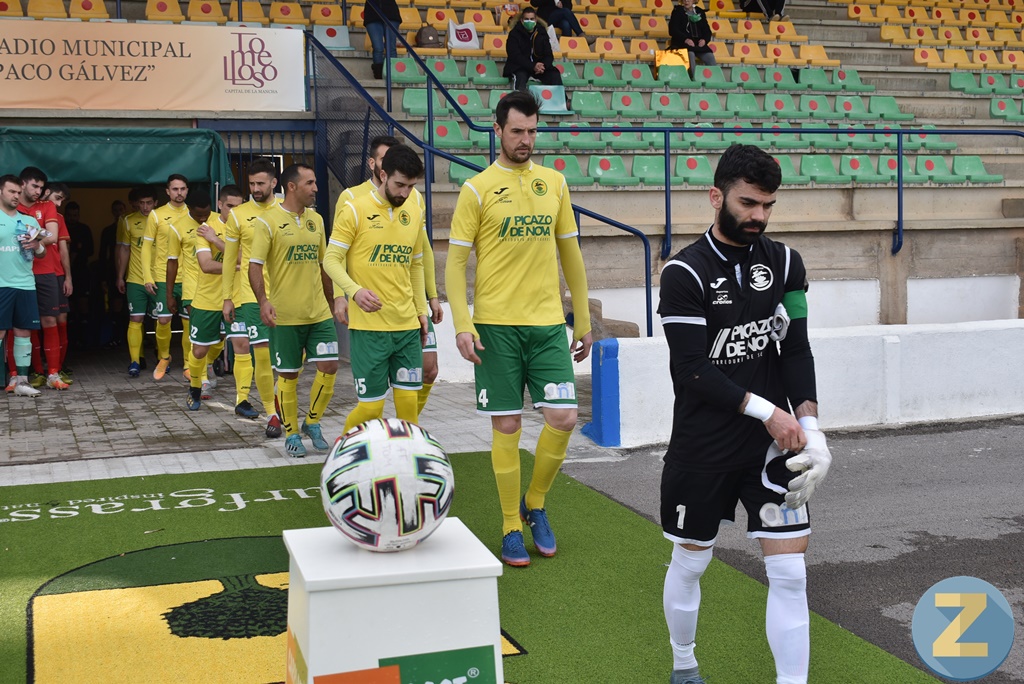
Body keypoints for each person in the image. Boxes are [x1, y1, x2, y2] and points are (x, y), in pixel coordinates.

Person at [657, 144, 831, 684]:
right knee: (691, 562)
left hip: (771, 450)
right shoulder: (683, 272)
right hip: (703, 444)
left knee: (791, 573)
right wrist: (769, 412)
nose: (759, 216)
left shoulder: (786, 264)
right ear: (717, 197)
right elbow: (692, 370)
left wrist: (812, 429)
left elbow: (795, 350)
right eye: (748, 203)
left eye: (768, 205)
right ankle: (684, 664)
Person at [446, 90, 593, 567]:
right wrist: (462, 323)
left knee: (563, 418)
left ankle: (536, 503)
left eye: (532, 131)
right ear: (497, 130)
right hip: (496, 327)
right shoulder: (476, 189)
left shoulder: (555, 183)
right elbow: (455, 265)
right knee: (507, 425)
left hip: (547, 325)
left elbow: (571, 254)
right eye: (517, 131)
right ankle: (511, 523)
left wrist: (582, 319)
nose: (526, 139)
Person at [334, 135, 444, 416]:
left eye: (411, 186)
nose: (405, 193)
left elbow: (415, 264)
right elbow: (331, 259)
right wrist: (353, 292)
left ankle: (403, 446)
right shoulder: (354, 208)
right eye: (399, 185)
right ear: (382, 175)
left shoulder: (414, 210)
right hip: (369, 329)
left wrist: (420, 310)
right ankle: (345, 445)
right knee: (371, 409)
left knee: (408, 408)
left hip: (406, 326)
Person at [249, 164, 339, 458]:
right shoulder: (267, 221)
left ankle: (312, 422)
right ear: (291, 187)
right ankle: (291, 434)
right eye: (310, 183)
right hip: (285, 316)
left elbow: (324, 264)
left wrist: (332, 301)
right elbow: (254, 266)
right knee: (288, 376)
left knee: (330, 367)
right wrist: (263, 301)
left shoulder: (317, 220)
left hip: (319, 314)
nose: (316, 188)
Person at [223, 158, 282, 437]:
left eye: (261, 183)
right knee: (261, 351)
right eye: (251, 184)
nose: (255, 188)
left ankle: (280, 399)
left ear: (274, 182)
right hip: (252, 295)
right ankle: (272, 413)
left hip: (286, 293)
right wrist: (227, 297)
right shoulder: (238, 215)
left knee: (289, 357)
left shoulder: (287, 210)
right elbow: (228, 260)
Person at [199, 185, 257, 418]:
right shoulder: (206, 228)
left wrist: (217, 242)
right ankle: (200, 376)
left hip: (240, 296)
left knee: (242, 344)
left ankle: (242, 399)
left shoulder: (247, 225)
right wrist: (236, 264)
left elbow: (246, 258)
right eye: (230, 206)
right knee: (203, 346)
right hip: (209, 296)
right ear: (220, 204)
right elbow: (206, 265)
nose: (234, 211)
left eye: (238, 206)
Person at [167, 187, 223, 400]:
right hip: (193, 288)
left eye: (206, 214)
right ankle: (202, 381)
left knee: (221, 336)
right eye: (198, 215)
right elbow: (172, 262)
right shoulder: (177, 227)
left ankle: (208, 363)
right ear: (188, 209)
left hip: (220, 287)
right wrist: (169, 294)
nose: (203, 219)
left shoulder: (219, 221)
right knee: (199, 336)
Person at [14, 167, 64, 391]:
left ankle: (53, 373)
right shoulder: (11, 206)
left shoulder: (47, 206)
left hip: (45, 271)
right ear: (22, 184)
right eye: (34, 186)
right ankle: (28, 373)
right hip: (18, 272)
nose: (38, 191)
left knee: (50, 321)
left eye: (41, 188)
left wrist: (31, 237)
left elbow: (52, 236)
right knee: (22, 324)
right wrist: (38, 232)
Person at [0, 174, 47, 398]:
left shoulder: (29, 221)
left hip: (26, 284)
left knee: (23, 332)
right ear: (0, 192)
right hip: (1, 284)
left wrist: (37, 245)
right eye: (11, 191)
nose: (16, 196)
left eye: (18, 192)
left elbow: (42, 253)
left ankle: (22, 381)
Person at [141, 174, 190, 381]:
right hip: (162, 276)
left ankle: (188, 363)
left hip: (189, 277)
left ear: (187, 190)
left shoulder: (193, 213)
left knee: (188, 322)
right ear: (168, 191)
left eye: (183, 189)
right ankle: (164, 357)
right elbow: (146, 247)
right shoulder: (156, 215)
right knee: (163, 320)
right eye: (175, 189)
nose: (179, 193)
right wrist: (147, 276)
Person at [116, 187, 157, 377]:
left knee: (161, 320)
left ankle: (162, 356)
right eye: (142, 203)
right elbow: (124, 250)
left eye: (149, 203)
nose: (145, 207)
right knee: (136, 319)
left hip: (159, 278)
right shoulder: (128, 220)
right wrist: (120, 276)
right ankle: (135, 361)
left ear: (156, 203)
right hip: (135, 278)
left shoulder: (163, 219)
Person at [504, 8, 563, 92]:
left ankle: (561, 99)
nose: (529, 21)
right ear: (521, 20)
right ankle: (519, 99)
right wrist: (532, 66)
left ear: (535, 20)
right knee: (520, 76)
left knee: (554, 75)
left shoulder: (542, 33)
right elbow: (515, 56)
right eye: (526, 19)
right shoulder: (514, 34)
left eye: (531, 19)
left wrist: (543, 66)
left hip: (539, 68)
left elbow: (549, 54)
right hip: (521, 67)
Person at [668, 0, 716, 72]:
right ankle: (693, 77)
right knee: (690, 54)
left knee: (709, 55)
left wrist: (704, 40)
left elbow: (707, 31)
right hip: (682, 43)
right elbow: (673, 30)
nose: (686, 1)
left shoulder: (699, 12)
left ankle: (715, 77)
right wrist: (686, 39)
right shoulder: (677, 11)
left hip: (697, 44)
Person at [365, 0, 400, 79]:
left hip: (391, 14)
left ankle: (391, 76)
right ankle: (379, 76)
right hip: (372, 14)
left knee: (391, 48)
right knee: (378, 48)